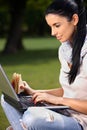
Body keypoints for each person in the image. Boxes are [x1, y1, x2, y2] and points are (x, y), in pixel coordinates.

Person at [1, 0, 87, 130]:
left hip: (81, 121)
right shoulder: (65, 50)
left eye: (57, 25)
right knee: (7, 100)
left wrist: (57, 100)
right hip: (65, 113)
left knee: (32, 117)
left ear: (74, 19)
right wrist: (35, 92)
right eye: (50, 26)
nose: (52, 33)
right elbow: (70, 90)